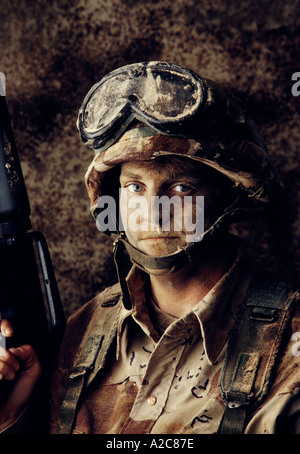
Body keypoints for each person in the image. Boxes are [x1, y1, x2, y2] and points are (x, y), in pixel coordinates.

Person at [0, 61, 299, 434]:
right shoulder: (85, 329)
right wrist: (11, 415)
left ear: (226, 198)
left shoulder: (288, 348)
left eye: (181, 188)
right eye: (135, 188)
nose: (154, 215)